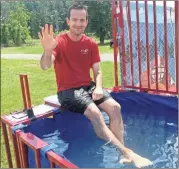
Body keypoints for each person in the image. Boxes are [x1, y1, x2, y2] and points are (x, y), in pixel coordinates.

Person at [38, 3, 152, 168]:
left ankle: (122, 153)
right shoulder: (60, 42)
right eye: (74, 20)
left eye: (82, 20)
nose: (78, 23)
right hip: (68, 91)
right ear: (68, 21)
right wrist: (47, 51)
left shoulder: (90, 44)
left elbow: (97, 71)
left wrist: (98, 87)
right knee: (95, 113)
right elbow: (45, 66)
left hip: (89, 86)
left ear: (86, 22)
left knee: (115, 108)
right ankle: (127, 152)